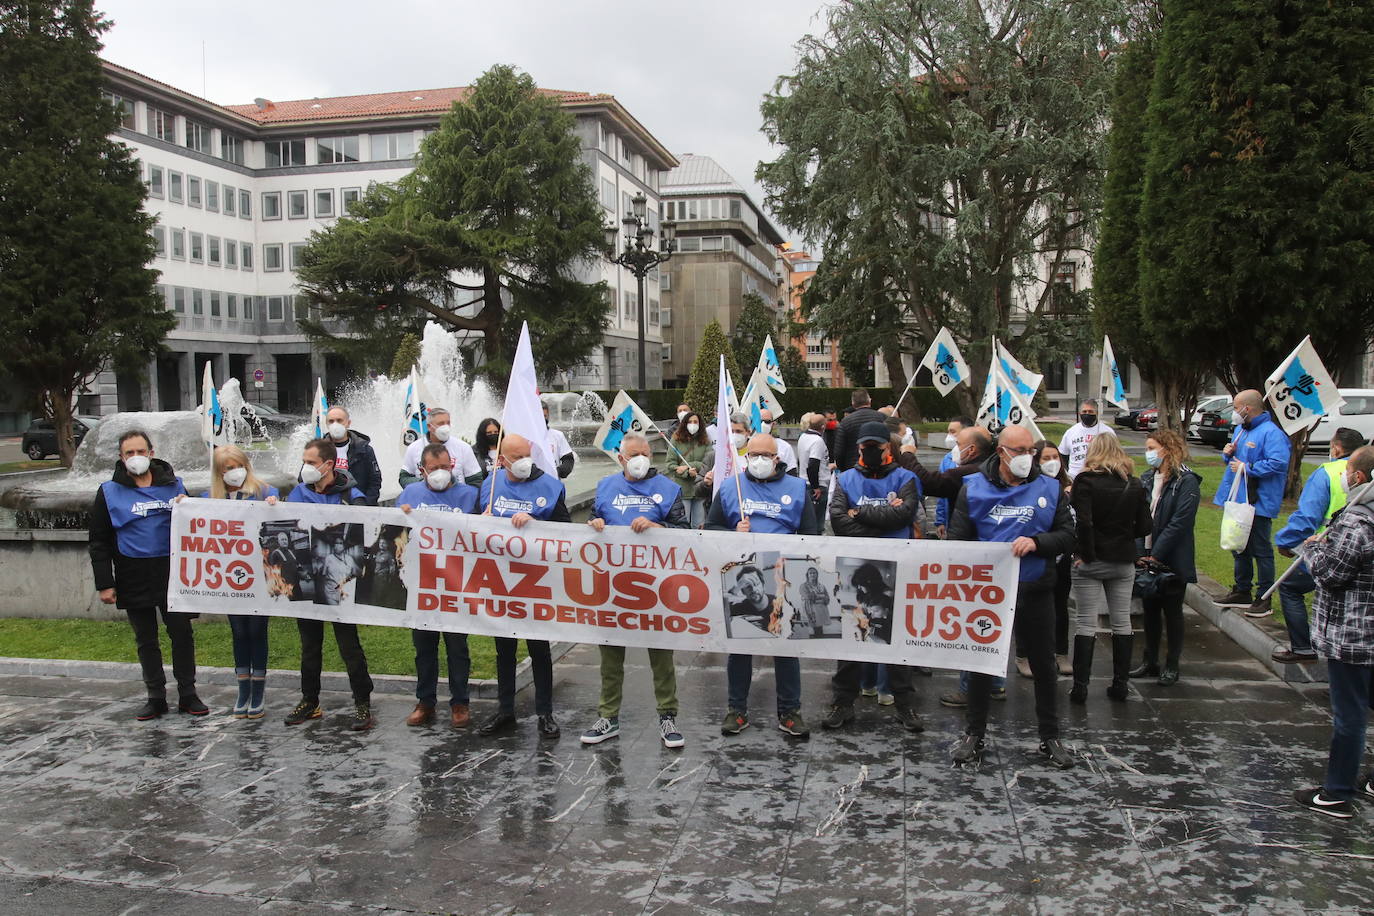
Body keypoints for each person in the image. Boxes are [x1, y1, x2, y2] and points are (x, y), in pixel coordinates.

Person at [948, 425, 1077, 769]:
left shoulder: (1049, 488)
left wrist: (1038, 542)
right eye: (1018, 451)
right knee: (980, 665)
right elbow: (958, 540)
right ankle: (974, 734)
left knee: (1044, 666)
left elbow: (1067, 535)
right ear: (1001, 452)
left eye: (1030, 451)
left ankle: (1050, 736)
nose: (1026, 458)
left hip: (1036, 589)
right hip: (988, 594)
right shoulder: (973, 488)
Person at [706, 431, 819, 739]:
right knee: (740, 647)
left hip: (782, 578)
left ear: (776, 458)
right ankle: (737, 710)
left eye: (764, 456)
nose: (758, 460)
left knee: (785, 647)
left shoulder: (797, 488)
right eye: (752, 455)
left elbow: (811, 532)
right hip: (742, 579)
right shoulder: (732, 487)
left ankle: (789, 711)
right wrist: (733, 532)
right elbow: (711, 526)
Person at [581, 433, 689, 748]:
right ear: (621, 458)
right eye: (634, 454)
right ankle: (608, 716)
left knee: (661, 654)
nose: (641, 458)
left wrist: (660, 529)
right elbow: (592, 520)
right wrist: (594, 525)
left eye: (645, 452)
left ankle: (668, 716)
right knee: (611, 655)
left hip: (655, 586)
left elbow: (685, 532)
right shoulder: (605, 487)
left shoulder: (669, 490)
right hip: (613, 585)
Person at [89, 430, 204, 721]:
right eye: (129, 453)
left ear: (151, 453)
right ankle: (155, 697)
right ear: (121, 457)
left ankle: (188, 694)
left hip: (173, 573)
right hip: (132, 573)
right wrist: (105, 583)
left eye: (141, 451)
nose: (136, 457)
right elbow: (99, 540)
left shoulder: (174, 485)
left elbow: (195, 525)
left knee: (182, 635)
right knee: (146, 639)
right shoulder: (108, 491)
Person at [821, 421, 925, 733]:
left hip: (897, 567)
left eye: (876, 448)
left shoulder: (906, 478)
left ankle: (904, 703)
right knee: (852, 636)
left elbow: (905, 514)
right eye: (865, 447)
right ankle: (843, 702)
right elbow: (839, 521)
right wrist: (884, 522)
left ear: (888, 448)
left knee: (896, 637)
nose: (870, 452)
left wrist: (860, 513)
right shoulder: (846, 478)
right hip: (856, 569)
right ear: (858, 449)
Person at [1293, 445, 1374, 819]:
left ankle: (1337, 793)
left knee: (1350, 716)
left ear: (1358, 478)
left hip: (1354, 636)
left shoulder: (1358, 524)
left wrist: (1311, 549)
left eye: (1346, 470)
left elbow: (1330, 574)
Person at [477, 433, 569, 739]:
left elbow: (567, 532)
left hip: (536, 581)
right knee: (504, 650)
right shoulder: (488, 486)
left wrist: (535, 523)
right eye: (517, 457)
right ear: (501, 460)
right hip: (499, 581)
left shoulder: (551, 487)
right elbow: (471, 531)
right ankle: (505, 710)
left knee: (539, 649)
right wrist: (484, 520)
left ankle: (545, 712)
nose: (525, 462)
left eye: (527, 455)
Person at [283, 437, 376, 731]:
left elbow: (364, 531)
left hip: (340, 584)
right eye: (305, 462)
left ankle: (362, 701)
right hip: (307, 580)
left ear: (329, 465)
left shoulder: (351, 496)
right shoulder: (298, 492)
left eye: (311, 463)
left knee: (349, 645)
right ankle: (309, 700)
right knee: (310, 645)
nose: (306, 467)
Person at [398, 443, 481, 728]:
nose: (441, 473)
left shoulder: (471, 495)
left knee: (457, 647)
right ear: (422, 470)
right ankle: (425, 701)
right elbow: (395, 536)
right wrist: (403, 517)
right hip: (421, 585)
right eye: (434, 469)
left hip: (457, 584)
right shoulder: (410, 494)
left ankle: (460, 702)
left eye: (445, 467)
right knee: (424, 647)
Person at [1069, 434, 1153, 703]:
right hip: (1123, 559)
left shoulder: (1085, 482)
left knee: (1085, 623)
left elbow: (1083, 522)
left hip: (1091, 560)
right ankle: (1120, 684)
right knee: (1122, 622)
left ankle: (1080, 687)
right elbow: (1145, 527)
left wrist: (1086, 554)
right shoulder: (1135, 484)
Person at [1273, 428, 1366, 663]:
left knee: (1290, 587)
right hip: (1361, 555)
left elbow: (1307, 518)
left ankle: (1303, 648)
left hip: (1327, 551)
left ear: (1336, 448)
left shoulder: (1327, 472)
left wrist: (1286, 541)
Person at [202, 445, 278, 718]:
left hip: (260, 575)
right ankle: (243, 687)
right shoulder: (209, 497)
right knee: (239, 632)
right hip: (231, 578)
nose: (234, 472)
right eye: (227, 468)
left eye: (237, 466)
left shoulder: (266, 492)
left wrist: (273, 508)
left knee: (257, 631)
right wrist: (181, 506)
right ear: (219, 473)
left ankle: (258, 689)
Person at [1132, 429, 1202, 685]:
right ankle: (1150, 660)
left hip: (1171, 558)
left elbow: (1180, 522)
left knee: (1172, 612)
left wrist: (1158, 554)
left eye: (1152, 448)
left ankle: (1172, 663)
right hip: (1147, 555)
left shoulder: (1186, 482)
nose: (1148, 453)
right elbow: (1138, 517)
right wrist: (1141, 554)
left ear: (1167, 449)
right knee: (1149, 610)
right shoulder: (1147, 479)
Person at [1213, 389, 1292, 615]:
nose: (1235, 413)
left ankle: (1263, 596)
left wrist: (1248, 469)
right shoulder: (1241, 429)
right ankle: (1242, 589)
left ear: (1247, 408)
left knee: (1260, 549)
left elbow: (1278, 463)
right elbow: (1234, 461)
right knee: (1238, 546)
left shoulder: (1271, 433)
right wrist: (1227, 454)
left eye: (1237, 408)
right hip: (1237, 500)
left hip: (1258, 502)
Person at [399, 407, 482, 489]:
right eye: (441, 424)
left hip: (455, 500)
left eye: (448, 423)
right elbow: (404, 478)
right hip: (425, 499)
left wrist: (463, 495)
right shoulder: (414, 448)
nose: (445, 427)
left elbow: (475, 480)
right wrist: (424, 483)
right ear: (429, 426)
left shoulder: (463, 448)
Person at [323, 405, 381, 506]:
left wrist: (365, 505)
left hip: (357, 507)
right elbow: (305, 479)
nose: (335, 424)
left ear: (348, 423)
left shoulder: (364, 450)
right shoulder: (317, 450)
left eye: (339, 420)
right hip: (325, 507)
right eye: (331, 421)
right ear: (326, 424)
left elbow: (375, 481)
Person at [664, 410, 713, 528]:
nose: (693, 424)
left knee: (699, 524)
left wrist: (691, 465)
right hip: (683, 490)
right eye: (690, 421)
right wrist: (686, 472)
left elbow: (709, 462)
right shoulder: (676, 439)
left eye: (695, 421)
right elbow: (670, 464)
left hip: (700, 489)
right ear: (684, 423)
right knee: (683, 524)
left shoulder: (705, 440)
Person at [933, 416, 976, 539]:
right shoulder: (948, 459)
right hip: (951, 519)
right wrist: (940, 521)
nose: (949, 436)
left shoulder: (979, 460)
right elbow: (941, 491)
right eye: (948, 431)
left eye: (952, 432)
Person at [1058, 398, 1117, 480]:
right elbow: (1063, 455)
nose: (1087, 414)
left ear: (1097, 413)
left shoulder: (1107, 431)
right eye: (1084, 411)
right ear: (1079, 413)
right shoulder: (1071, 432)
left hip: (1100, 477)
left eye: (1090, 411)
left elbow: (1114, 455)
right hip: (1075, 478)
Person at [831, 389, 886, 472]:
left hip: (852, 467)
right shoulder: (882, 418)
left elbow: (839, 451)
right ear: (869, 401)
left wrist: (842, 468)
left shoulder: (845, 422)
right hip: (880, 466)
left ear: (853, 404)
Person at [796, 412, 832, 523]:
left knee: (808, 520)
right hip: (817, 485)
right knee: (817, 522)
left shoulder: (803, 437)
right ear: (823, 427)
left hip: (804, 482)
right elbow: (813, 464)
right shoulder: (817, 441)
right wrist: (815, 486)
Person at [542, 402, 576, 479]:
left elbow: (568, 458)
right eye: (540, 417)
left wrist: (559, 471)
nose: (543, 419)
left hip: (553, 482)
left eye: (545, 416)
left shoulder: (557, 435)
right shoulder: (525, 437)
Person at [757, 408, 797, 474]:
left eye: (767, 422)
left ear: (773, 424)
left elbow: (791, 473)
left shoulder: (785, 447)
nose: (763, 424)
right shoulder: (746, 445)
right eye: (760, 421)